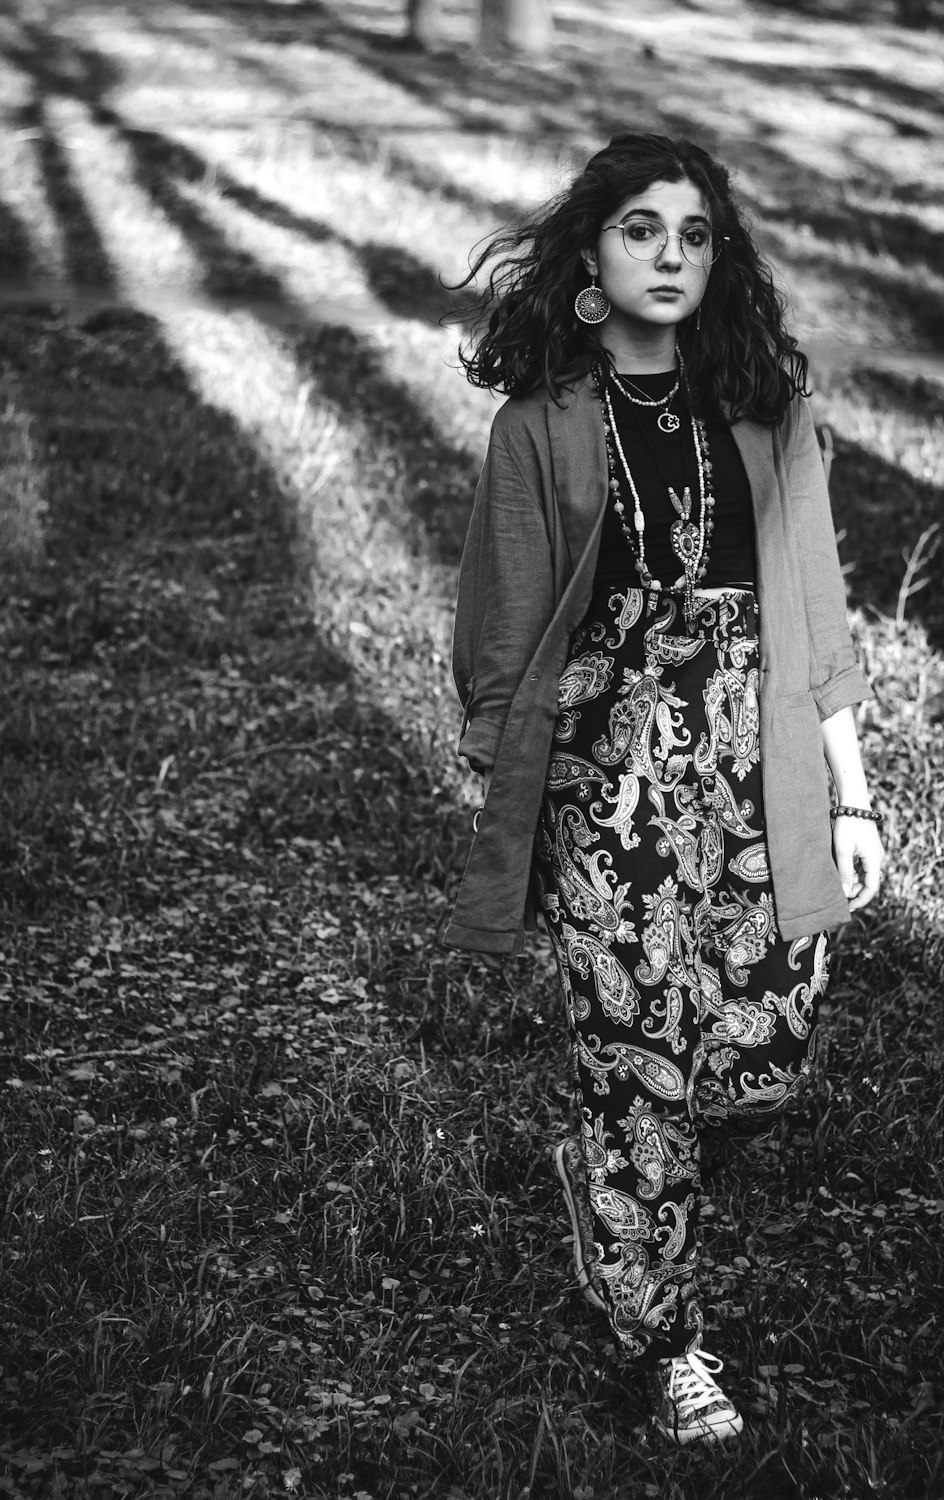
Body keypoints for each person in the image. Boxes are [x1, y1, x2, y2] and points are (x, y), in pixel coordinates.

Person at [441, 133, 884, 1446]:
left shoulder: (767, 408)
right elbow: (499, 642)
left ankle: (619, 1162)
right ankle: (667, 1337)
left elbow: (818, 620)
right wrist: (524, 792)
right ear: (591, 256)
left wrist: (851, 795)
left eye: (694, 236)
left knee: (756, 1062)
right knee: (639, 1075)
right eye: (642, 231)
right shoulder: (538, 430)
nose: (671, 257)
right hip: (609, 797)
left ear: (719, 256)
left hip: (761, 781)